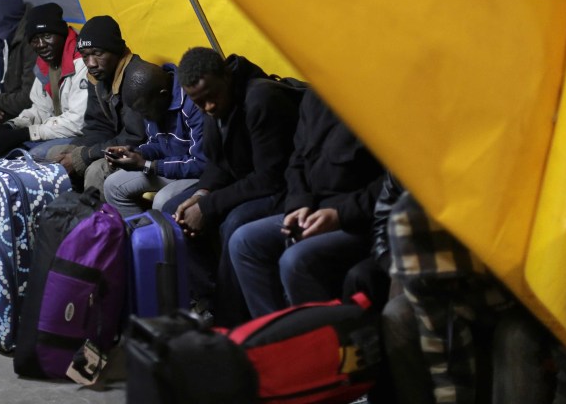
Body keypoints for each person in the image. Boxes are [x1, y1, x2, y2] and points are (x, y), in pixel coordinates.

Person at [385, 192, 566, 404]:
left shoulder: (532, 240)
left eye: (451, 277)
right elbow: (447, 359)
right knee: (399, 312)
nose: (448, 284)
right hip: (483, 298)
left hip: (529, 302)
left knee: (515, 334)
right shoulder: (417, 259)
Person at [160, 47, 303, 324]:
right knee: (171, 210)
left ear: (226, 77)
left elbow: (270, 177)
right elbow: (218, 164)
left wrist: (208, 206)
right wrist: (201, 194)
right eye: (199, 103)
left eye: (212, 97)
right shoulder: (213, 106)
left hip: (285, 186)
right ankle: (209, 301)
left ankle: (233, 318)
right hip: (251, 181)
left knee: (234, 221)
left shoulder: (262, 99)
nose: (208, 107)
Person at [228, 87, 385, 317]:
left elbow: (394, 184)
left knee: (296, 260)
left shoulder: (379, 102)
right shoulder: (316, 96)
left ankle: (328, 340)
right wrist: (299, 204)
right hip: (314, 209)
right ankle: (281, 335)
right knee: (244, 242)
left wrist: (339, 214)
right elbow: (297, 160)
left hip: (360, 219)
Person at [0, 3, 88, 163]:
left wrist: (28, 133)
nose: (41, 44)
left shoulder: (82, 62)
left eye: (47, 36)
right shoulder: (45, 64)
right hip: (55, 130)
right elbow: (40, 109)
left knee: (26, 157)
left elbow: (78, 122)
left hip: (83, 135)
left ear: (62, 34)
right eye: (35, 39)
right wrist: (12, 126)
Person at [46, 15, 147, 191]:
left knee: (95, 171)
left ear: (116, 50)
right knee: (56, 154)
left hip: (139, 151)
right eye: (85, 56)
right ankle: (73, 208)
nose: (91, 63)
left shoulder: (137, 78)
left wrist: (83, 156)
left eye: (98, 54)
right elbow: (98, 126)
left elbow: (134, 137)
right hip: (113, 145)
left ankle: (100, 217)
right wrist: (74, 151)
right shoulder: (98, 77)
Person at [103, 60, 205, 217]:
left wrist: (148, 165)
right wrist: (136, 153)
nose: (143, 117)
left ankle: (164, 239)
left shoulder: (194, 102)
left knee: (162, 201)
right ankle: (141, 235)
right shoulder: (152, 101)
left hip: (197, 174)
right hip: (168, 167)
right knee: (112, 185)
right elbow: (156, 143)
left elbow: (201, 163)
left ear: (163, 95)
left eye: (144, 112)